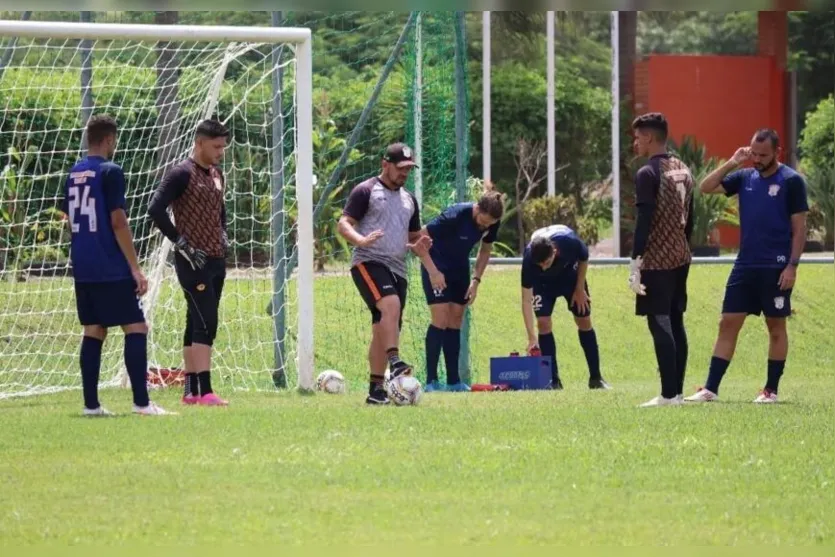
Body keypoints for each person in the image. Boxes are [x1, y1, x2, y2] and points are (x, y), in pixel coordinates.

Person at [685, 129, 808, 404]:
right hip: (745, 265)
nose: (757, 159)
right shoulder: (744, 177)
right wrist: (733, 162)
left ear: (777, 152)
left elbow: (800, 229)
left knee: (776, 326)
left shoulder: (791, 181)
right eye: (754, 153)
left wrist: (792, 266)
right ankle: (710, 389)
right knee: (727, 323)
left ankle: (770, 391)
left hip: (776, 267)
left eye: (763, 155)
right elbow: (705, 187)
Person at [61, 114, 170, 416]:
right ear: (109, 139)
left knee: (94, 329)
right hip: (109, 263)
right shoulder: (110, 171)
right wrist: (135, 267)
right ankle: (142, 403)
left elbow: (69, 218)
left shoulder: (74, 172)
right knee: (136, 326)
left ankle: (91, 406)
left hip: (83, 264)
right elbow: (118, 221)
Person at [337, 143, 431, 405]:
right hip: (368, 262)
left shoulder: (409, 199)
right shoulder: (366, 190)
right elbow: (344, 223)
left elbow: (414, 236)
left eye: (409, 169)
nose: (405, 173)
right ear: (385, 164)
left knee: (385, 326)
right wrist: (360, 240)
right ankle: (395, 363)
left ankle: (376, 391)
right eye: (401, 168)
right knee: (391, 305)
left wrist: (421, 247)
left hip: (398, 268)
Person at [148, 119, 231, 406]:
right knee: (207, 321)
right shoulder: (181, 173)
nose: (221, 151)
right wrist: (181, 242)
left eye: (223, 146)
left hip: (216, 259)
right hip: (192, 261)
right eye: (216, 146)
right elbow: (155, 209)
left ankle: (190, 391)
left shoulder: (218, 174)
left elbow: (220, 209)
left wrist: (223, 233)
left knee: (195, 319)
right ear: (199, 143)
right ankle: (206, 391)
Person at [627, 113, 695, 408]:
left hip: (656, 260)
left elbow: (644, 220)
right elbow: (690, 217)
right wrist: (683, 247)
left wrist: (635, 262)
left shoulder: (648, 173)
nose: (636, 143)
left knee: (659, 322)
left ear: (649, 137)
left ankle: (668, 395)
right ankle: (676, 392)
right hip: (681, 256)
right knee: (676, 321)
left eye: (638, 137)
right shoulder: (683, 168)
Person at [418, 185, 504, 392]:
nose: (485, 227)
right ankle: (431, 381)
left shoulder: (492, 222)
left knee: (456, 318)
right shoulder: (455, 214)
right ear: (477, 208)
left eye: (489, 224)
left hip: (460, 269)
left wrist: (476, 280)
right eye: (483, 222)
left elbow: (485, 250)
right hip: (437, 265)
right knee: (440, 317)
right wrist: (433, 272)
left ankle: (453, 382)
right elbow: (419, 239)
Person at [520, 225, 609, 390]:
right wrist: (531, 337)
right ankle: (553, 381)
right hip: (543, 284)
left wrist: (580, 289)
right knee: (543, 323)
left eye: (546, 262)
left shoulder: (569, 242)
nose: (543, 267)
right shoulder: (529, 259)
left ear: (554, 252)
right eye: (540, 265)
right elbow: (525, 300)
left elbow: (584, 258)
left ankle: (596, 378)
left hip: (570, 277)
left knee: (583, 319)